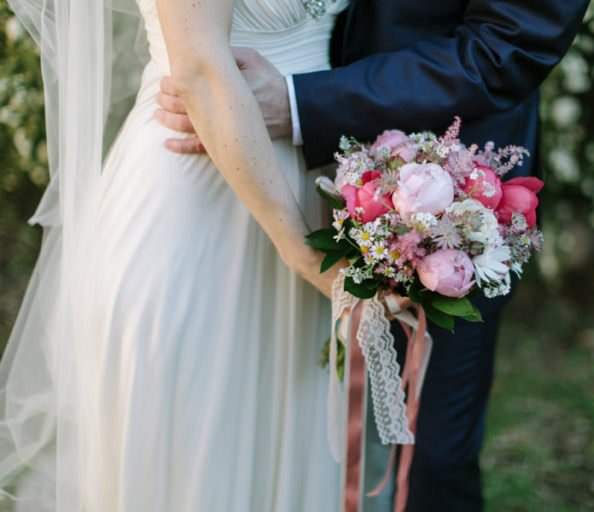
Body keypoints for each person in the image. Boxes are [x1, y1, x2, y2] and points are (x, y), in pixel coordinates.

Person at [156, 1, 590, 510]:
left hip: (438, 188)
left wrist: (301, 102)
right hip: (234, 165)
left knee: (427, 453)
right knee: (221, 420)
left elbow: (508, 44)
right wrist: (225, 100)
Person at [0, 0, 350, 510]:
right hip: (194, 196)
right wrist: (301, 250)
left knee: (286, 432)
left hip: (309, 179)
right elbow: (202, 73)